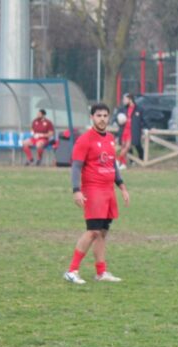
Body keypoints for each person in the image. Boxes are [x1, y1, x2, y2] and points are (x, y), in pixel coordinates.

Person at [63, 104, 130, 285]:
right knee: (92, 231)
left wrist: (122, 186)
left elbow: (112, 165)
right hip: (93, 190)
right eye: (98, 115)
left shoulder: (109, 138)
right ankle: (71, 270)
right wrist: (76, 190)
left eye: (105, 115)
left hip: (108, 192)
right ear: (92, 117)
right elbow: (76, 166)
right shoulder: (85, 140)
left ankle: (101, 272)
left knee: (102, 232)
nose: (102, 118)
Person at [115, 93, 145, 167]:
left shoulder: (139, 109)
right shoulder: (122, 108)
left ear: (130, 99)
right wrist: (118, 120)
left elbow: (144, 120)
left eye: (125, 99)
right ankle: (124, 164)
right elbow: (116, 117)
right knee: (123, 147)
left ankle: (118, 160)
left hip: (132, 132)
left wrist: (149, 128)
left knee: (128, 146)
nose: (123, 101)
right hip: (124, 130)